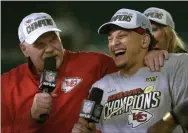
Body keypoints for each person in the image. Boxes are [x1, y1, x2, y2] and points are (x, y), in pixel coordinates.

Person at [1, 12, 167, 133]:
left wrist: (148, 53)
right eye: (40, 45)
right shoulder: (6, 84)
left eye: (53, 40)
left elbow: (134, 69)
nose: (51, 49)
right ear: (24, 49)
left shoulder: (95, 63)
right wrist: (31, 117)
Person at [72, 8, 188, 133]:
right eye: (110, 39)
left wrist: (166, 122)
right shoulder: (99, 88)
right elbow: (87, 124)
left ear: (144, 40)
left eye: (122, 36)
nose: (114, 43)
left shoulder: (175, 64)